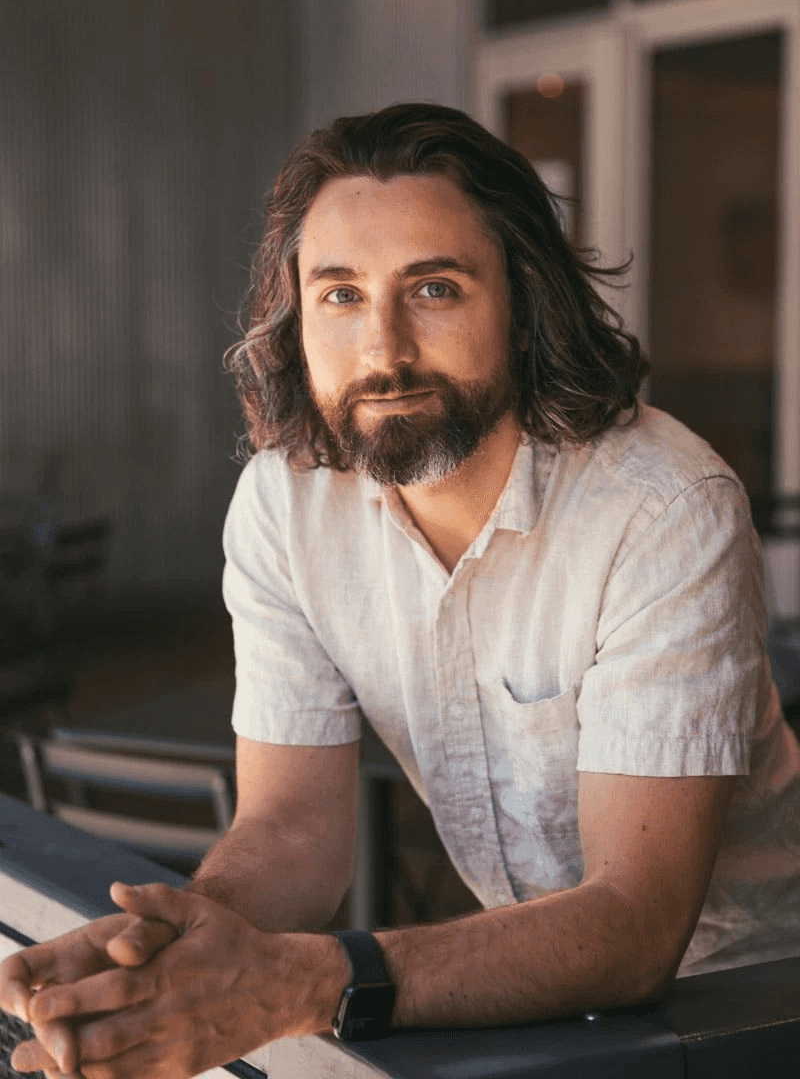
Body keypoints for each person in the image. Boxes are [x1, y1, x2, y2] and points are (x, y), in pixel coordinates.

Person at [3, 102, 800, 1079]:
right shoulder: (284, 507)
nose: (382, 349)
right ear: (297, 317)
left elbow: (632, 923)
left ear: (522, 300)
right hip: (547, 995)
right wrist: (171, 953)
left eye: (431, 288)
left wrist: (300, 981)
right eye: (339, 295)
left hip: (749, 1009)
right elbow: (292, 828)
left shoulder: (662, 510)